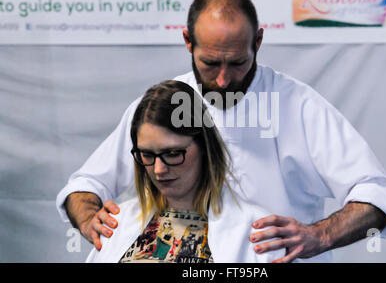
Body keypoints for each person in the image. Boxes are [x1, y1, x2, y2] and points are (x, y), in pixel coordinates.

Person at [58, 0, 386, 263]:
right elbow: (85, 184)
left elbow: (377, 195)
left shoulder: (299, 106)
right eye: (209, 63)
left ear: (258, 42)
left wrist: (321, 235)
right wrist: (88, 215)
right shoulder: (162, 108)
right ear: (187, 42)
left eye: (237, 63)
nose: (223, 81)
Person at [86, 80, 283, 262]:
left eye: (172, 153)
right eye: (147, 154)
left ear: (205, 147)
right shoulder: (115, 224)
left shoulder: (259, 232)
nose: (158, 169)